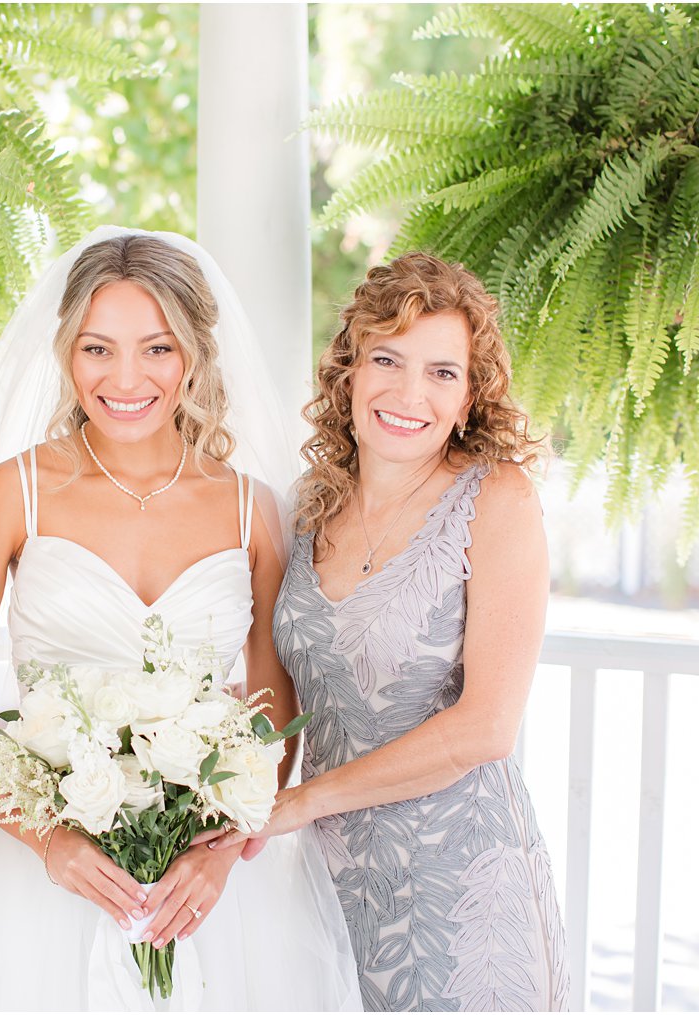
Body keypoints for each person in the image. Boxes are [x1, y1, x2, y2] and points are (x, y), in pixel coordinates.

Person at [0, 229, 359, 1011]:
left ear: (193, 355)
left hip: (205, 887)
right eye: (96, 348)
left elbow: (274, 709)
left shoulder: (254, 510)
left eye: (155, 348)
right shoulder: (12, 494)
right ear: (66, 353)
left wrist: (223, 850)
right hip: (34, 880)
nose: (125, 378)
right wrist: (48, 836)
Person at [216, 252, 570, 1011]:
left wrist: (302, 802)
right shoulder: (303, 504)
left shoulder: (497, 500)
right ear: (348, 372)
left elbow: (486, 727)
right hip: (328, 888)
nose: (410, 392)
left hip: (464, 896)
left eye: (443, 371)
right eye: (388, 359)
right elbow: (274, 690)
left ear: (471, 396)